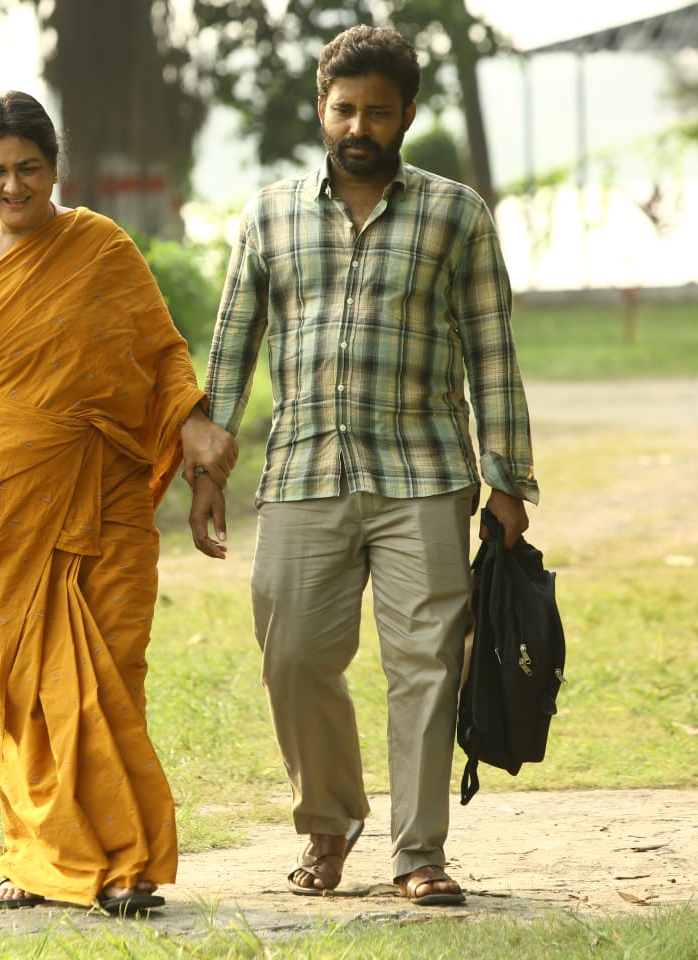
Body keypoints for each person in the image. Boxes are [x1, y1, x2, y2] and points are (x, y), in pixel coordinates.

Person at [189, 25, 539, 908]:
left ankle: (418, 852)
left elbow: (492, 351)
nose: (359, 126)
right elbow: (231, 347)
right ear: (321, 109)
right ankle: (330, 819)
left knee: (426, 664)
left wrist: (508, 480)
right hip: (302, 471)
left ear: (407, 115)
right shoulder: (269, 214)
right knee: (293, 656)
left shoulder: (456, 213)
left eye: (378, 112)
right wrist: (205, 467)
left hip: (425, 472)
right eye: (344, 109)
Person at [0, 91, 237, 915]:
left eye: (29, 168)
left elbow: (161, 352)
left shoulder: (100, 248)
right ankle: (39, 856)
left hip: (103, 498)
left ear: (55, 167)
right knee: (12, 683)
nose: (13, 186)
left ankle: (125, 865)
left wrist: (193, 426)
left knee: (107, 675)